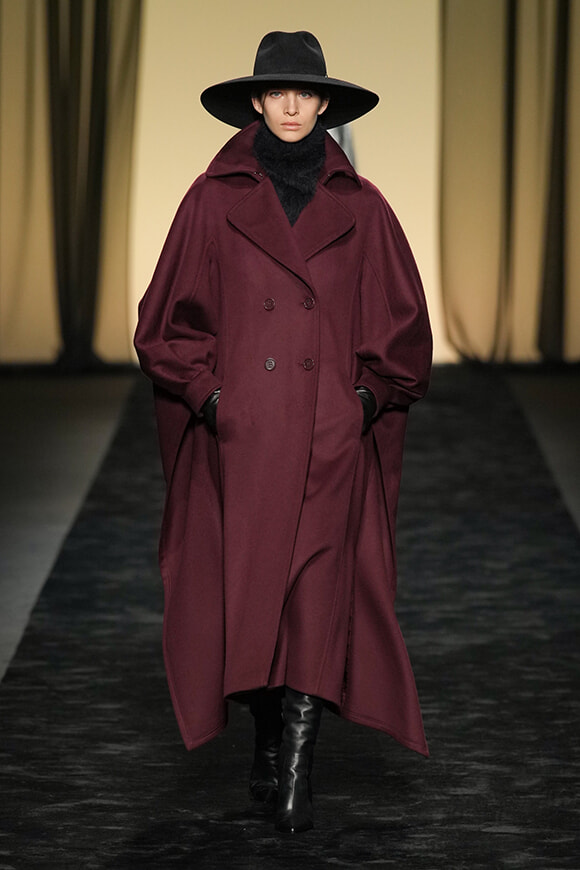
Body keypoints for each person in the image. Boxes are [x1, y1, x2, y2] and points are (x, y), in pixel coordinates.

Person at [134, 30, 432, 834]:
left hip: (330, 440)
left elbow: (404, 329)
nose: (292, 106)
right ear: (257, 102)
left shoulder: (363, 208)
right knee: (253, 599)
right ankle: (267, 745)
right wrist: (213, 401)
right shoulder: (211, 200)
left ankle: (296, 772)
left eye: (305, 93)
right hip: (246, 443)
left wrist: (362, 402)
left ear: (325, 103)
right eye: (278, 92)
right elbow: (164, 323)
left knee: (315, 597)